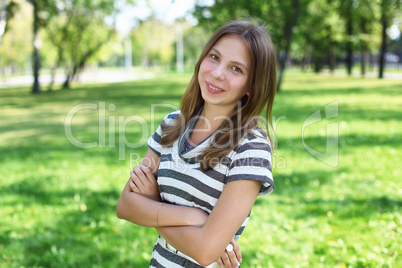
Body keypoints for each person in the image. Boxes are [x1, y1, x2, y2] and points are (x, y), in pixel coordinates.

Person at [116, 19, 277, 268]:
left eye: (236, 69)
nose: (217, 73)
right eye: (214, 57)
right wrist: (193, 217)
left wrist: (154, 204)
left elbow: (205, 251)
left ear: (251, 87)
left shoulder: (251, 148)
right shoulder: (171, 126)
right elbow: (125, 205)